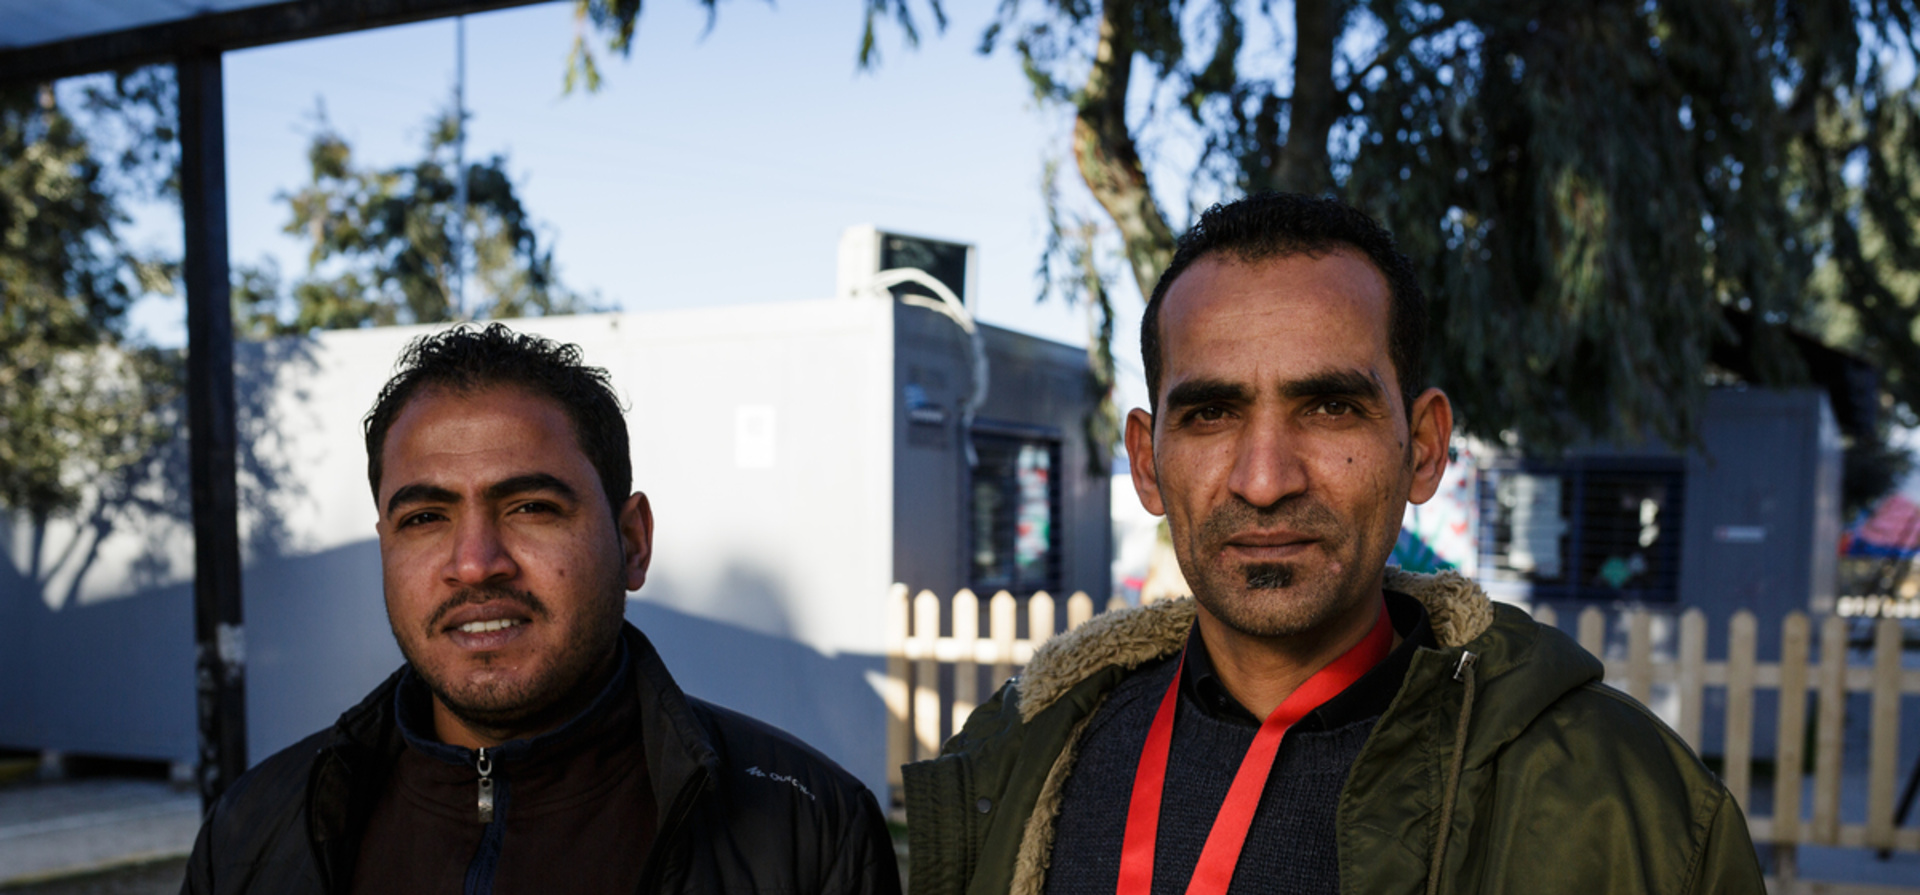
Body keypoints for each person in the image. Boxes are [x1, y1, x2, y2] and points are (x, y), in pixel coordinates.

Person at [903, 193, 1765, 894]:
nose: (1266, 477)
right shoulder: (1020, 763)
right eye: (1211, 412)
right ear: (1147, 461)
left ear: (1423, 446)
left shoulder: (1623, 810)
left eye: (1329, 406)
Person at [182, 324, 900, 894]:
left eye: (530, 506)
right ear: (385, 549)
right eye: (425, 517)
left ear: (632, 541)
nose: (474, 561)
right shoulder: (256, 828)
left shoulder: (809, 826)